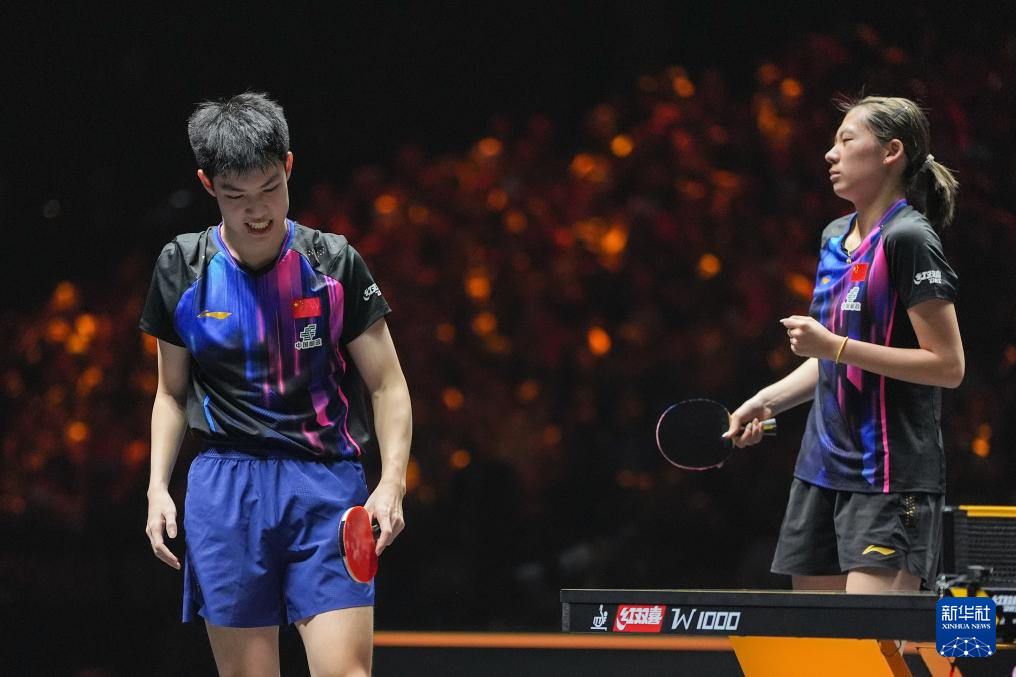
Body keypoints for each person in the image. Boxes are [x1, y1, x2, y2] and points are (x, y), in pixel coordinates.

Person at [140, 92, 412, 676]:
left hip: (326, 485)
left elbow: (388, 384)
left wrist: (392, 483)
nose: (257, 210)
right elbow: (170, 392)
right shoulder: (182, 268)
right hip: (225, 491)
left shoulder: (333, 263)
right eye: (236, 196)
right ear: (208, 184)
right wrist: (158, 486)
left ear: (289, 166)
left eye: (269, 188)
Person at [726, 96, 963, 594]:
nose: (830, 154)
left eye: (846, 140)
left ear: (891, 152)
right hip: (820, 472)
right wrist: (767, 401)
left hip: (892, 481)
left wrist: (834, 346)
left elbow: (947, 365)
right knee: (817, 639)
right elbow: (832, 358)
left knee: (869, 640)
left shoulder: (908, 238)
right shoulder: (835, 237)